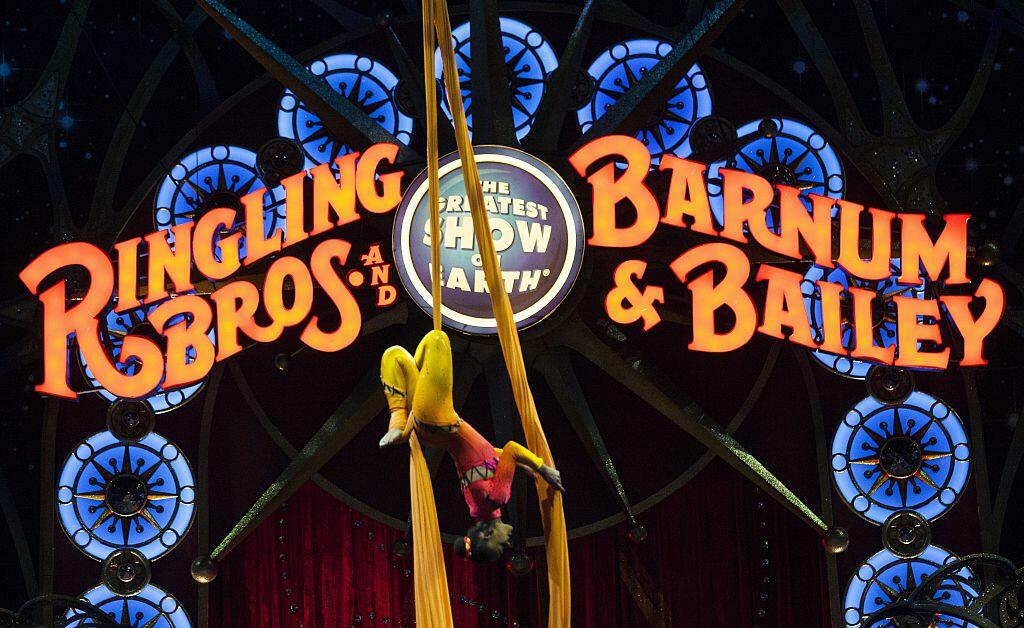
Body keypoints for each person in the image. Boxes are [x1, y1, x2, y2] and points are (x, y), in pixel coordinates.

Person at [379, 330, 564, 563]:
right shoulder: (475, 507)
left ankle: (397, 418)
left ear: (487, 534)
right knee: (395, 356)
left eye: (500, 544)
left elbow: (511, 448)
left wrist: (542, 468)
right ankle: (400, 418)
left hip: (439, 417)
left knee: (438, 340)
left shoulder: (497, 498)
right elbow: (486, 456)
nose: (508, 541)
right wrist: (523, 467)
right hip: (430, 430)